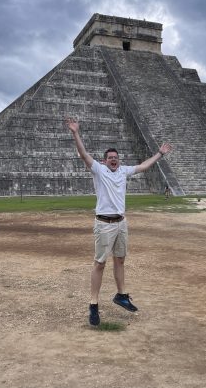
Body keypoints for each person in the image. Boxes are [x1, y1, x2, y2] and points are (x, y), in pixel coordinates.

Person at [65, 117, 172, 326]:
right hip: (104, 224)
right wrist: (75, 133)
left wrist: (160, 154)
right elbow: (85, 155)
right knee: (100, 263)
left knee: (120, 259)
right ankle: (93, 304)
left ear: (119, 160)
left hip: (121, 222)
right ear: (104, 161)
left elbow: (143, 166)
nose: (114, 160)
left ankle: (121, 295)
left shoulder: (123, 171)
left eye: (116, 157)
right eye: (110, 158)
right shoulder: (98, 170)